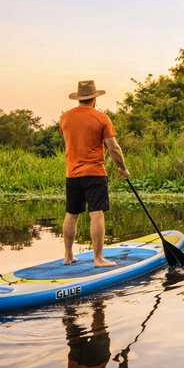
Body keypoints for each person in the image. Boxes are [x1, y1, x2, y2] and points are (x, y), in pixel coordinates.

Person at [59, 80, 130, 268]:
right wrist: (123, 168)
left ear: (79, 98)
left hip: (72, 174)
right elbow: (113, 148)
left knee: (71, 214)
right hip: (94, 173)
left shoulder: (64, 118)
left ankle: (67, 256)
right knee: (96, 213)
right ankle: (98, 259)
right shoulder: (101, 118)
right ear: (94, 99)